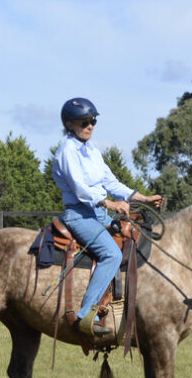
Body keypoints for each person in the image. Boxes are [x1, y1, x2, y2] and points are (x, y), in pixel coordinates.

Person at [52, 97, 164, 336]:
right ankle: (84, 317)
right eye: (85, 122)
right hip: (79, 215)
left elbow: (110, 182)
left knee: (132, 238)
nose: (90, 125)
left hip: (99, 213)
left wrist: (142, 198)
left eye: (93, 121)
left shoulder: (91, 151)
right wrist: (110, 203)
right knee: (111, 254)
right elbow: (80, 188)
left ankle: (120, 305)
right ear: (70, 124)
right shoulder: (67, 151)